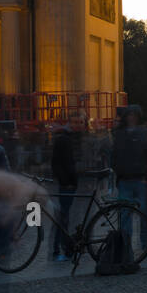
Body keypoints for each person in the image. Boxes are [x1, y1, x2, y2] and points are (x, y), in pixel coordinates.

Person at [111, 105, 147, 261]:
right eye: (129, 115)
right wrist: (117, 172)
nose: (131, 117)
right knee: (124, 216)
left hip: (141, 180)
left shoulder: (145, 134)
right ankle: (126, 248)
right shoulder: (119, 134)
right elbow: (114, 155)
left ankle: (145, 246)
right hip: (124, 180)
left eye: (134, 115)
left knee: (144, 216)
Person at [50, 111, 85, 261]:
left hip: (76, 182)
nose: (77, 125)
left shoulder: (77, 138)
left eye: (80, 122)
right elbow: (59, 163)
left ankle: (67, 245)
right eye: (75, 122)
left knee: (71, 215)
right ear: (70, 123)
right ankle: (61, 247)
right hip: (68, 183)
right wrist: (67, 181)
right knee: (64, 216)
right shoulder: (64, 139)